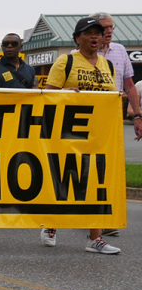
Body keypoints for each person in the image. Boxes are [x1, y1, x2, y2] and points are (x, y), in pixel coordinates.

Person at [41, 17, 121, 254]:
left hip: (99, 134)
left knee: (96, 181)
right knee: (65, 178)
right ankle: (51, 224)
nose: (95, 36)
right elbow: (46, 95)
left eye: (98, 32)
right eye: (89, 33)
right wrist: (64, 93)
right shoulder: (65, 62)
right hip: (68, 132)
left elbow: (110, 97)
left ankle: (95, 238)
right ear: (77, 38)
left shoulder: (108, 65)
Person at [90, 12, 141, 140]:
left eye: (111, 27)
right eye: (104, 28)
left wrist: (138, 116)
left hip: (114, 113)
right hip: (89, 113)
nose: (109, 31)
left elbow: (129, 86)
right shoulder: (79, 54)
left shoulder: (120, 50)